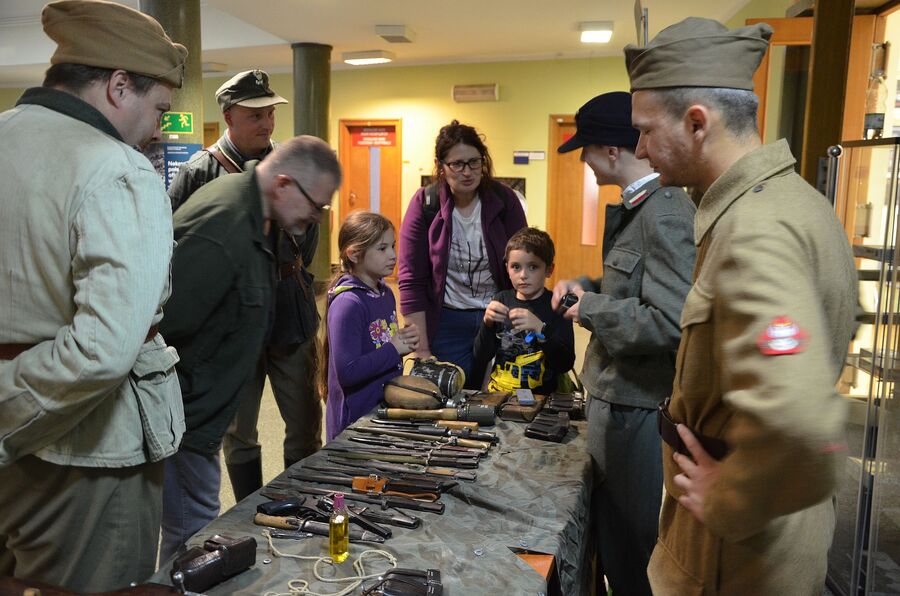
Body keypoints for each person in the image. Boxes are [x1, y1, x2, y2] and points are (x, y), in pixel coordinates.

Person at [625, 17, 858, 594]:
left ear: (697, 122)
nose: (639, 148)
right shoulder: (792, 200)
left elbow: (804, 426)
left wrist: (728, 499)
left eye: (647, 130)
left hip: (734, 555)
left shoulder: (755, 231)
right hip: (772, 533)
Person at [0, 1, 186, 591]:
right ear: (119, 85)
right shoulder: (118, 170)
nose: (158, 128)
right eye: (158, 108)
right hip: (85, 454)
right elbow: (103, 349)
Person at [158, 135, 341, 562]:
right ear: (283, 184)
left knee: (198, 523)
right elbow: (164, 329)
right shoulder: (223, 226)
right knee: (192, 531)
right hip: (187, 416)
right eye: (316, 206)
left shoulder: (259, 213)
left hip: (201, 411)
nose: (315, 218)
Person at [550, 90, 696, 596]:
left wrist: (589, 309)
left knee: (633, 549)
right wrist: (589, 287)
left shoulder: (666, 211)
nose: (585, 163)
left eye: (586, 151)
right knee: (611, 540)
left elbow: (672, 320)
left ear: (611, 151)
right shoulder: (640, 208)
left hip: (637, 403)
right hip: (616, 396)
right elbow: (634, 288)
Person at [169, 69, 323, 500]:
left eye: (270, 113)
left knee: (305, 418)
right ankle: (248, 509)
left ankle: (301, 503)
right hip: (232, 316)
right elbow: (174, 244)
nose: (266, 123)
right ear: (228, 115)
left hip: (288, 305)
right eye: (255, 114)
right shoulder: (200, 172)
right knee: (240, 426)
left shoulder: (288, 167)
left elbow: (307, 239)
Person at [398, 120, 527, 385]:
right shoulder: (425, 204)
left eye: (474, 162)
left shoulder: (504, 201)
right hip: (447, 323)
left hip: (499, 318)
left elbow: (525, 263)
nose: (467, 172)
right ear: (441, 167)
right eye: (456, 164)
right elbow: (411, 279)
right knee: (450, 403)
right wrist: (421, 349)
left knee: (500, 398)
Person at [324, 212, 420, 440]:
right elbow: (347, 372)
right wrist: (394, 349)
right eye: (382, 248)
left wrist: (403, 342)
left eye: (393, 246)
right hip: (354, 423)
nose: (393, 255)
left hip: (380, 410)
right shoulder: (348, 303)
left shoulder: (385, 293)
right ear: (354, 254)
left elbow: (381, 346)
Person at [472, 227, 574, 394]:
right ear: (507, 268)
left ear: (549, 269)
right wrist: (487, 324)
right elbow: (480, 356)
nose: (523, 275)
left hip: (541, 400)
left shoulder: (558, 306)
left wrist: (541, 330)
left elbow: (565, 364)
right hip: (498, 396)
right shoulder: (501, 300)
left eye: (533, 267)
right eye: (516, 267)